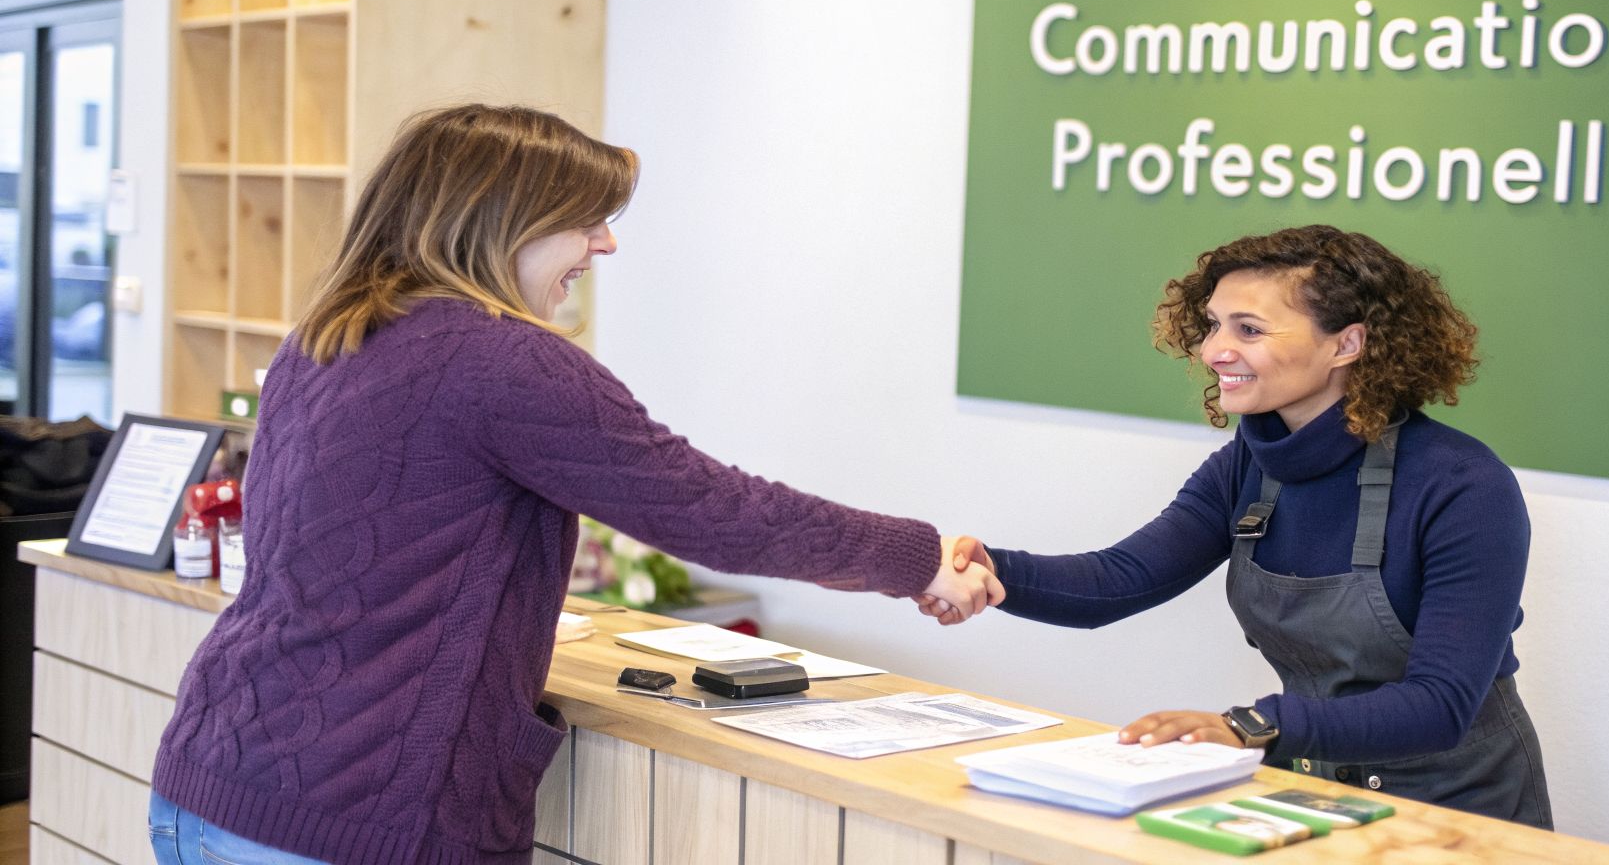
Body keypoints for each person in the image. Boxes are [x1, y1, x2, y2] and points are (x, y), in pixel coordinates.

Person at [148, 104, 1003, 865]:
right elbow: (712, 510)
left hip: (209, 778)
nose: (607, 243)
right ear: (503, 219)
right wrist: (918, 556)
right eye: (587, 219)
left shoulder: (322, 341)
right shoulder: (507, 361)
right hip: (350, 821)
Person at [934, 224, 1552, 828]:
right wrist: (990, 570)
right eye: (1213, 325)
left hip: (1460, 814)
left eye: (1248, 330)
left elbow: (1440, 704)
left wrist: (1248, 727)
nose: (1212, 351)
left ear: (1348, 344)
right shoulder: (1247, 464)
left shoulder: (1464, 485)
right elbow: (1117, 581)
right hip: (1315, 797)